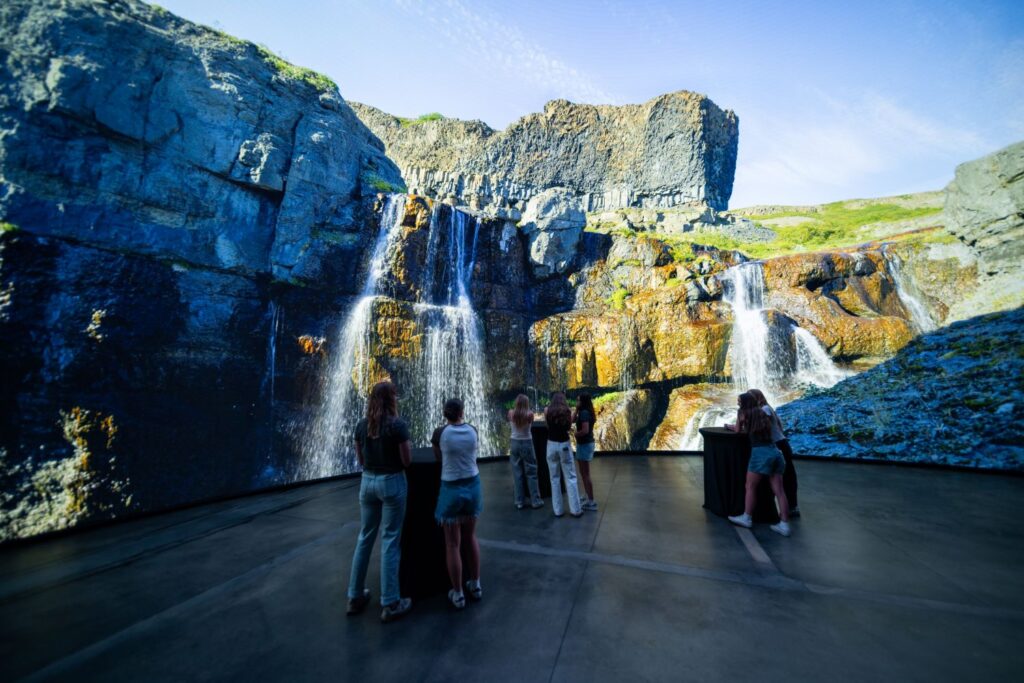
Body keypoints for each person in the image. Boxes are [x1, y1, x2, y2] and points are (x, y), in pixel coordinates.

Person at [347, 381, 414, 622]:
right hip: (392, 482)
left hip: (367, 483)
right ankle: (390, 602)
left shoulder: (361, 425)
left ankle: (355, 596)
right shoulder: (397, 425)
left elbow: (361, 459)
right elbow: (407, 461)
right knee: (390, 540)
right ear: (391, 400)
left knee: (365, 538)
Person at [431, 398, 483, 610]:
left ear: (445, 414)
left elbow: (438, 458)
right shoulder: (473, 430)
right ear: (462, 411)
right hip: (473, 487)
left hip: (451, 489)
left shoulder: (439, 433)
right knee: (470, 536)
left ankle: (458, 594)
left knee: (452, 544)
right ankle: (476, 584)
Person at [726, 392, 792, 536]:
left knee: (750, 486)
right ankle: (785, 525)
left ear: (744, 402)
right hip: (775, 452)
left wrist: (736, 425)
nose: (737, 403)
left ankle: (747, 518)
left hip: (760, 454)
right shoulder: (763, 412)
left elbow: (738, 430)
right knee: (779, 491)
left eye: (739, 401)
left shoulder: (742, 413)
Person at [747, 388, 799, 516]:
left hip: (779, 445)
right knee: (784, 478)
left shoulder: (764, 410)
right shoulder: (766, 408)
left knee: (785, 478)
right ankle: (789, 508)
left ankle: (791, 508)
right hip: (781, 444)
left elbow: (761, 427)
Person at [544, 392, 583, 518]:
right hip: (564, 445)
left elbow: (548, 426)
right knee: (570, 477)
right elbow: (568, 427)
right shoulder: (567, 411)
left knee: (554, 479)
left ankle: (558, 510)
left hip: (551, 445)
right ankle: (575, 510)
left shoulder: (547, 411)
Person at [508, 394, 544, 510]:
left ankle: (519, 501)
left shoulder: (511, 413)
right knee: (531, 472)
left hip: (514, 443)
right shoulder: (530, 414)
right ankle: (535, 500)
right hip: (527, 443)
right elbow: (530, 424)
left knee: (517, 473)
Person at [572, 394, 598, 511]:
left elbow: (585, 430)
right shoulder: (584, 411)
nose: (576, 401)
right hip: (585, 444)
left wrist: (576, 434)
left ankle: (591, 501)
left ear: (583, 401)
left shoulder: (584, 413)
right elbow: (572, 420)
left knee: (585, 474)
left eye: (578, 400)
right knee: (583, 473)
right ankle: (588, 495)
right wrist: (576, 409)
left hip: (584, 445)